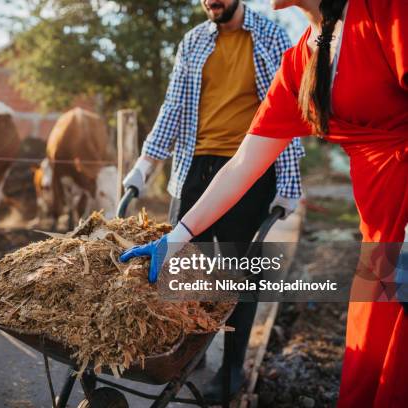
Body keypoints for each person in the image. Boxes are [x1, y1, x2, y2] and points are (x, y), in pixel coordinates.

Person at [121, 0, 407, 406]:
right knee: (375, 362)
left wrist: (287, 187)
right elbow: (243, 162)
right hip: (379, 223)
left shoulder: (382, 11)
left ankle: (233, 368)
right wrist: (177, 236)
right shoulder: (300, 61)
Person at [121, 0, 304, 401]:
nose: (211, 2)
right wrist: (145, 165)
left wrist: (288, 183)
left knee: (238, 277)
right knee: (183, 269)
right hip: (194, 167)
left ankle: (232, 369)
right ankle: (189, 356)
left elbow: (288, 110)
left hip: (248, 172)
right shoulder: (193, 42)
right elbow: (173, 108)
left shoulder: (271, 35)